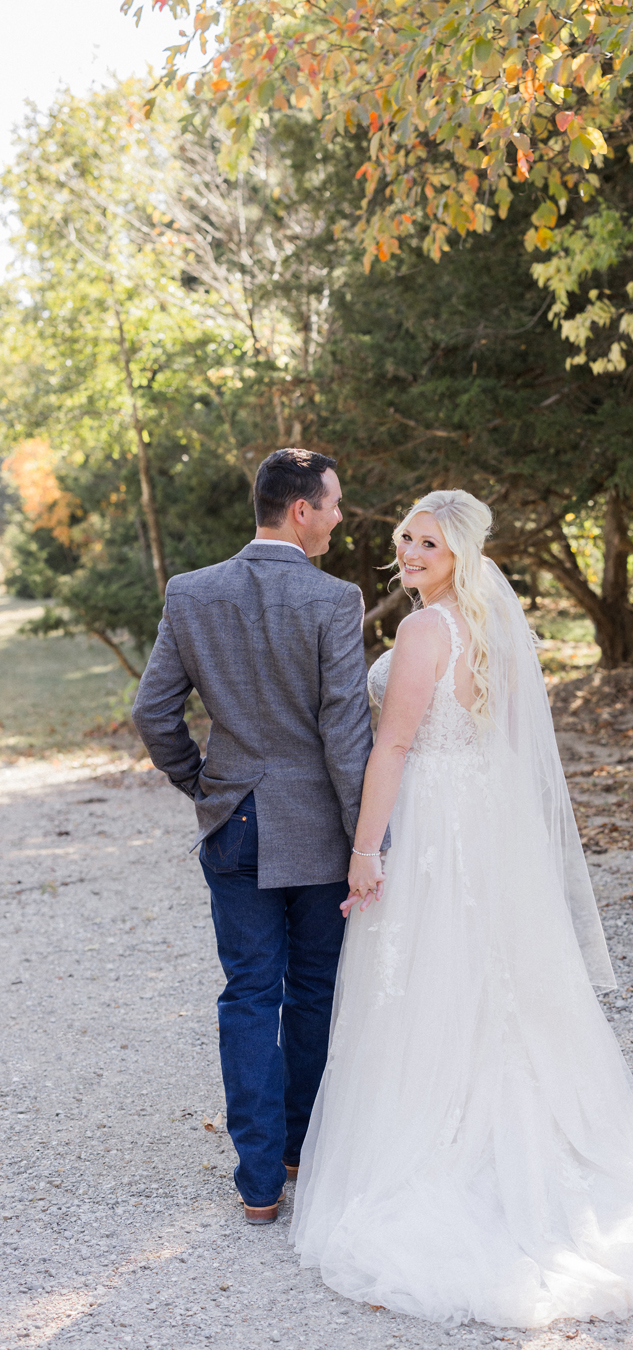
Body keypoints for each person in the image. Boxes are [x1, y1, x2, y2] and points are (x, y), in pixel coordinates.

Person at [288, 489, 633, 1328]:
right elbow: (505, 746)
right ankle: (528, 1150)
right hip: (485, 824)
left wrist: (366, 853)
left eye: (428, 545)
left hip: (436, 827)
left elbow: (395, 745)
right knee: (493, 984)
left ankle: (445, 1153)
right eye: (405, 538)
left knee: (432, 982)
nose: (408, 553)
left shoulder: (423, 631)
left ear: (460, 556)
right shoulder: (499, 633)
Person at [132, 448, 378, 1225]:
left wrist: (201, 783)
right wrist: (365, 836)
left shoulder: (192, 592)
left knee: (247, 992)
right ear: (300, 509)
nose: (340, 516)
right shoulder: (335, 600)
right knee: (312, 992)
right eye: (334, 503)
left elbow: (152, 713)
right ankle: (301, 1149)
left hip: (234, 817)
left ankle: (259, 1183)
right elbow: (345, 732)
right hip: (316, 829)